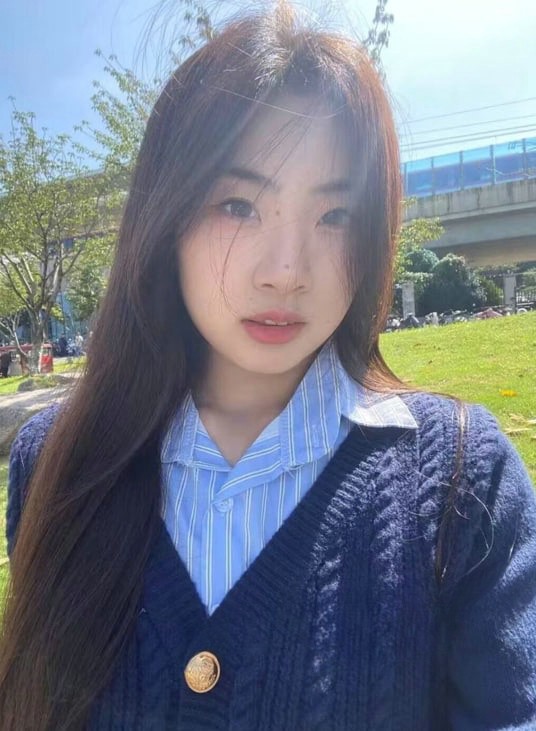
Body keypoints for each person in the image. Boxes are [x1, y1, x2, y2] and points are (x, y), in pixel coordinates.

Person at [1, 4, 536, 730]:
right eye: (237, 204)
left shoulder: (463, 482)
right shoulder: (56, 461)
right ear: (165, 219)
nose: (287, 271)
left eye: (335, 216)